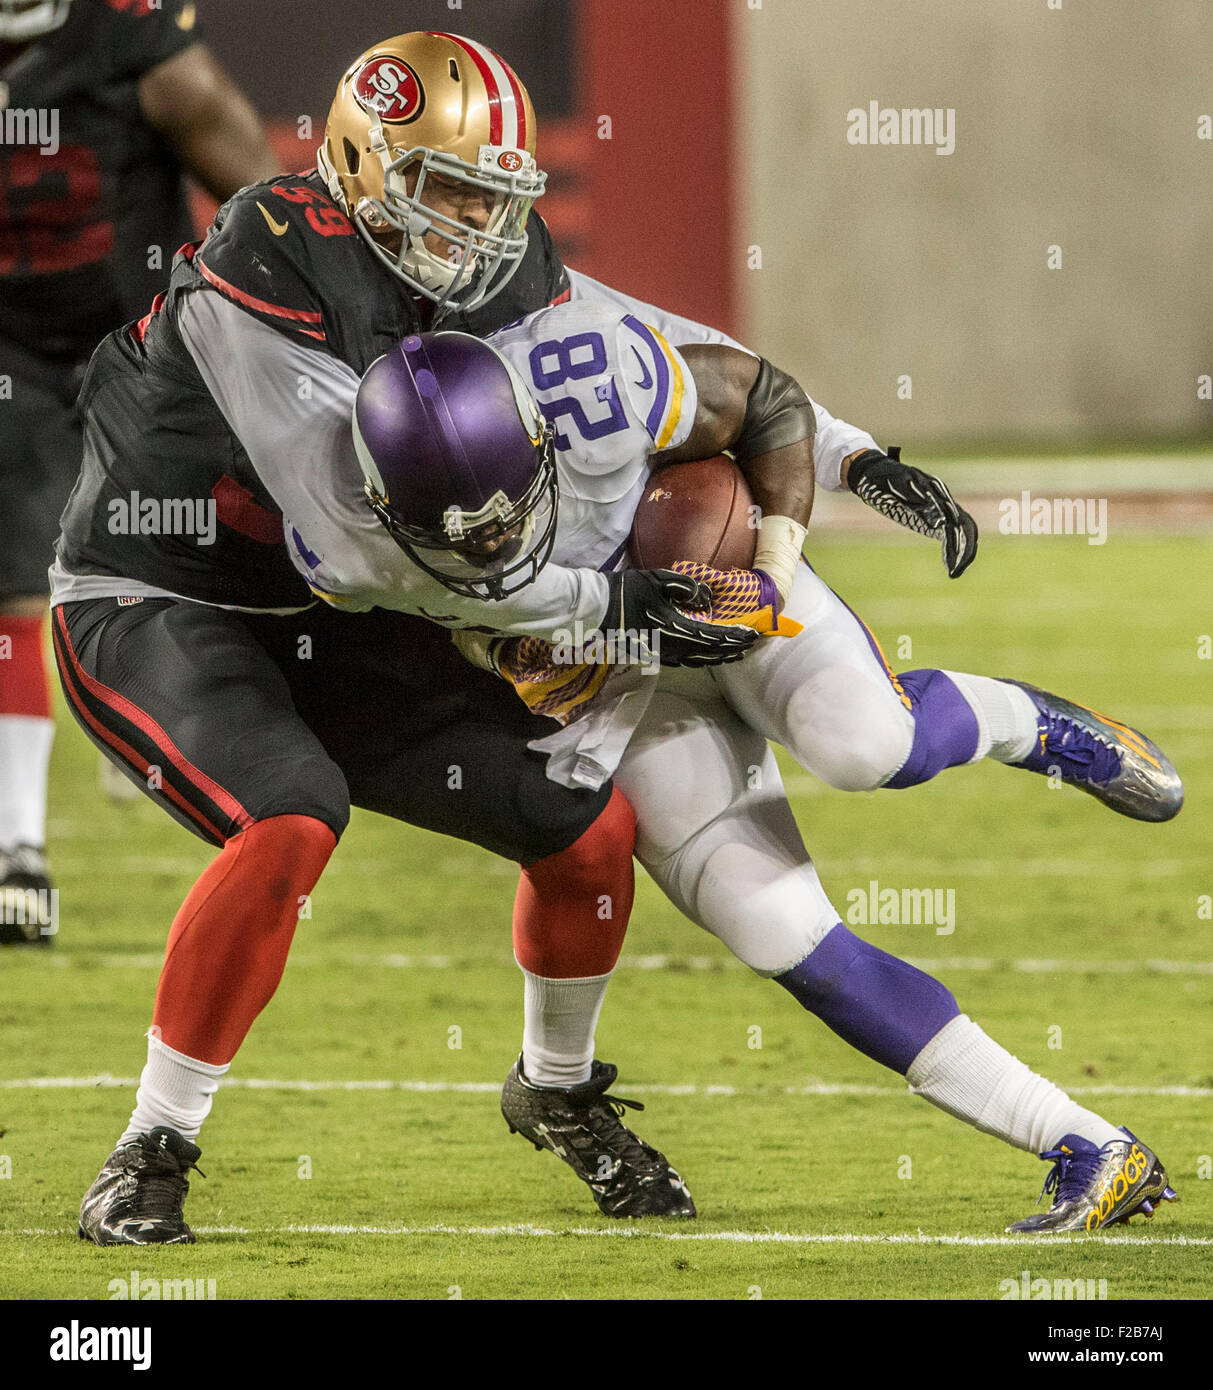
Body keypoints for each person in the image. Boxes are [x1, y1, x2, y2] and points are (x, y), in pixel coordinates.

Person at [55, 30, 755, 1245]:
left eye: (495, 191)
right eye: (445, 187)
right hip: (160, 594)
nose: (475, 222)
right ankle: (149, 1147)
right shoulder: (267, 256)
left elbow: (602, 382)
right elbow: (358, 547)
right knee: (289, 813)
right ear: (355, 158)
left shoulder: (499, 263)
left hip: (341, 615)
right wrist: (599, 611)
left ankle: (558, 1087)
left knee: (587, 827)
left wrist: (798, 455)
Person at [349, 315, 1181, 1235]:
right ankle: (1088, 1145)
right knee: (782, 934)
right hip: (611, 688)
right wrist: (501, 668)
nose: (496, 542)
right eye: (463, 534)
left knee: (866, 747)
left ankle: (1027, 720)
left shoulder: (589, 385)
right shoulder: (337, 541)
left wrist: (778, 565)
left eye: (511, 511)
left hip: (720, 586)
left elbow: (765, 395)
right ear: (383, 508)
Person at [0, 0, 278, 940]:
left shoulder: (142, 47)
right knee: (6, 590)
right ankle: (17, 854)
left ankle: (154, 718)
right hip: (8, 350)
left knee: (176, 561)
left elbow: (268, 211)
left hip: (133, 339)